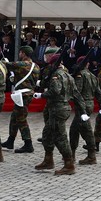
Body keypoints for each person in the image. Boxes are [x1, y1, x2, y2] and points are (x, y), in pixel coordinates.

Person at [33, 47, 77, 175]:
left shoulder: (57, 75)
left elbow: (55, 91)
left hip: (58, 108)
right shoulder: (68, 75)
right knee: (47, 134)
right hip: (59, 108)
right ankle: (48, 160)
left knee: (60, 137)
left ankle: (69, 164)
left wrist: (41, 95)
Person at [69, 57, 99, 165]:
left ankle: (87, 156)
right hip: (89, 104)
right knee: (80, 129)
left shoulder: (80, 75)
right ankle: (74, 155)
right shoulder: (93, 76)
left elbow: (77, 92)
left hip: (83, 106)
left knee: (79, 130)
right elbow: (98, 93)